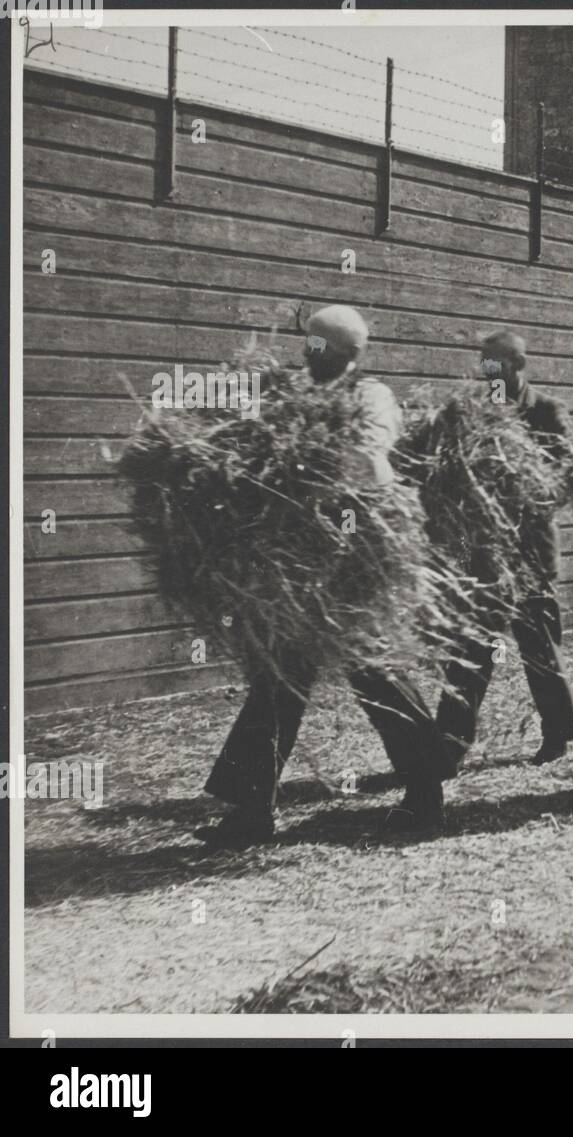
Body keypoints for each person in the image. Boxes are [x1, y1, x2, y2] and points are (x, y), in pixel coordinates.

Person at [204, 305, 445, 846]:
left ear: (343, 356)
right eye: (306, 348)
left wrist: (304, 454)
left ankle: (427, 792)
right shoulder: (295, 396)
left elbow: (364, 457)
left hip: (356, 550)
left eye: (315, 349)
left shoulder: (371, 398)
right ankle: (251, 810)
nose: (305, 357)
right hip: (300, 552)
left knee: (373, 670)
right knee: (278, 676)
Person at [428, 331, 573, 776]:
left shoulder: (546, 411)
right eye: (485, 366)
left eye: (497, 366)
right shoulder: (471, 412)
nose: (489, 374)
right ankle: (449, 744)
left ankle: (558, 736)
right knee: (470, 646)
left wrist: (520, 493)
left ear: (518, 366)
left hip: (529, 553)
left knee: (540, 648)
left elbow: (563, 477)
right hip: (483, 553)